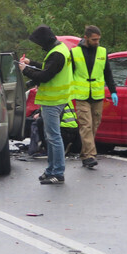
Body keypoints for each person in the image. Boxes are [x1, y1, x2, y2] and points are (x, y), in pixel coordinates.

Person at [19, 25, 73, 184]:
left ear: (44, 40)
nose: (40, 46)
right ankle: (51, 170)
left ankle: (58, 173)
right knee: (52, 137)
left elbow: (45, 76)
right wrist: (31, 63)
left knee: (54, 137)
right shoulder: (61, 49)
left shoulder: (56, 54)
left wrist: (25, 70)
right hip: (57, 99)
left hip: (53, 100)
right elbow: (48, 68)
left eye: (39, 42)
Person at [70, 25, 118, 168]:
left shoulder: (102, 52)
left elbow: (107, 73)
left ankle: (85, 155)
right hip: (81, 95)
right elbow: (68, 73)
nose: (97, 42)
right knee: (86, 125)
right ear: (86, 38)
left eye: (98, 39)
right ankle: (91, 155)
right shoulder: (75, 52)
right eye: (94, 39)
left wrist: (113, 91)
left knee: (94, 125)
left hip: (97, 95)